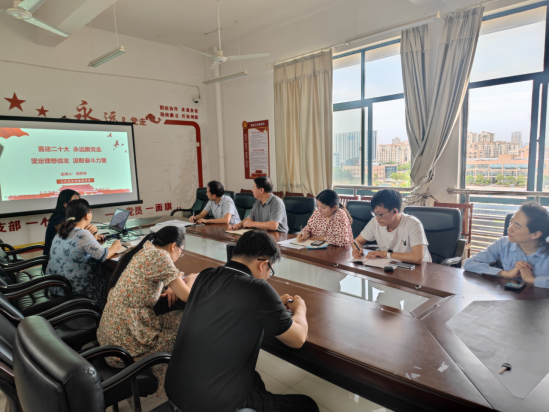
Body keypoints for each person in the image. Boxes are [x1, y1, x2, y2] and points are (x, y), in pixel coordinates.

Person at [165, 230, 318, 412]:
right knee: (307, 405)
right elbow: (298, 339)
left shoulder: (205, 276)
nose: (267, 276)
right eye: (270, 271)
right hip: (213, 403)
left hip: (176, 391)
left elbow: (231, 301)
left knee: (255, 380)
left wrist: (273, 304)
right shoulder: (259, 289)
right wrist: (300, 308)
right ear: (263, 264)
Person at [97, 226, 198, 398]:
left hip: (110, 337)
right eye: (181, 252)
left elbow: (152, 278)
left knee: (177, 318)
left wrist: (172, 283)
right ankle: (178, 389)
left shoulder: (141, 250)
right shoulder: (160, 256)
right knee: (187, 329)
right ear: (174, 246)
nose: (179, 256)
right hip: (125, 346)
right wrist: (190, 280)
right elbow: (188, 296)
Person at [47, 199, 121, 306]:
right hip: (74, 290)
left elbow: (91, 249)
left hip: (56, 287)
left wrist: (94, 233)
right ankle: (104, 309)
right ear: (87, 215)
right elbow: (103, 256)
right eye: (90, 212)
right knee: (109, 275)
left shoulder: (62, 230)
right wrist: (115, 246)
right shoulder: (82, 234)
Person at [464, 202, 549, 289]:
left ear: (535, 234)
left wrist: (530, 279)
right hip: (509, 295)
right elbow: (469, 263)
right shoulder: (503, 243)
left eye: (517, 227)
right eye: (511, 222)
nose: (509, 228)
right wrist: (505, 273)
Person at [352, 189, 431, 264]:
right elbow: (357, 241)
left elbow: (417, 257)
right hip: (390, 265)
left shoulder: (413, 223)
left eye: (380, 214)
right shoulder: (375, 222)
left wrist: (386, 254)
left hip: (418, 269)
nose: (377, 218)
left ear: (394, 211)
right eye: (375, 214)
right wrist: (356, 249)